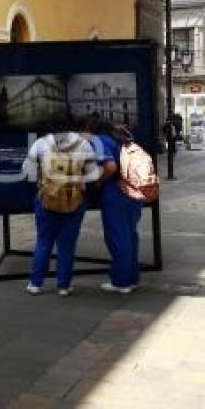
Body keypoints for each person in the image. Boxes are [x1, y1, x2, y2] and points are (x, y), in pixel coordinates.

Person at [22, 118, 97, 297]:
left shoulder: (40, 144)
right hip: (74, 200)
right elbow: (93, 174)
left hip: (46, 199)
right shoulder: (84, 144)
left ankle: (35, 284)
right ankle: (64, 286)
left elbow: (28, 172)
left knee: (43, 241)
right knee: (67, 245)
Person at [84, 118, 143, 293]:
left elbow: (109, 166)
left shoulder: (100, 140)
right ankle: (132, 278)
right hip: (134, 190)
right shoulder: (123, 139)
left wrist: (98, 181)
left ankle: (121, 281)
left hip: (116, 193)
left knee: (117, 237)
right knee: (130, 235)